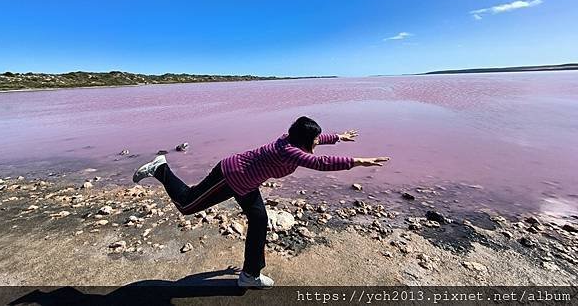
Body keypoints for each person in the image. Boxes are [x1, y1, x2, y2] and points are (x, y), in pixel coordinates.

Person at [132, 116, 390, 288]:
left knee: (259, 220)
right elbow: (320, 163)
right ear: (301, 142)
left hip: (247, 182)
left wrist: (337, 137)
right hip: (231, 176)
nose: (316, 143)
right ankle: (161, 169)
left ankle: (249, 275)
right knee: (187, 206)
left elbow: (316, 141)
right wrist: (357, 161)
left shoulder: (292, 140)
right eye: (313, 141)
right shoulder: (289, 150)